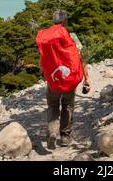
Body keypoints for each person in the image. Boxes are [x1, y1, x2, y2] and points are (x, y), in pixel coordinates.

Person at [37, 10, 91, 150]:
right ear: (66, 21)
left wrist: (46, 76)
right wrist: (87, 79)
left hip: (54, 80)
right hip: (70, 79)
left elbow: (42, 60)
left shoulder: (47, 39)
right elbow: (81, 58)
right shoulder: (72, 37)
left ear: (53, 22)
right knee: (68, 105)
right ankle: (65, 136)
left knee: (53, 106)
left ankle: (52, 132)